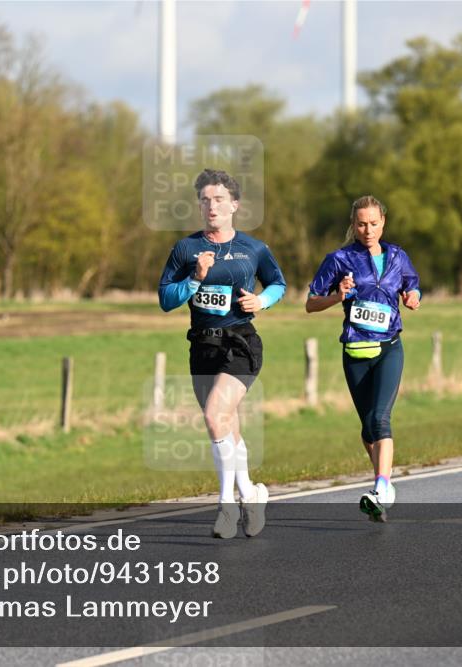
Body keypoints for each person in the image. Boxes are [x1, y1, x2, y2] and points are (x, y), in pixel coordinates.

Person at [159, 169, 287, 538]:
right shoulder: (185, 249)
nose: (211, 206)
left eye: (218, 199)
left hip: (241, 343)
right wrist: (195, 278)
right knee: (226, 425)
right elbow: (166, 300)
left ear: (234, 205)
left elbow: (278, 283)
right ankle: (251, 493)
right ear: (199, 205)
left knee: (216, 416)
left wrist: (260, 300)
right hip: (202, 346)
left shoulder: (254, 248)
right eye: (205, 200)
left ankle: (226, 507)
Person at [305, 196, 421, 521]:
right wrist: (337, 296)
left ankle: (381, 487)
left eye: (373, 223)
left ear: (383, 221)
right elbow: (310, 303)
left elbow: (412, 285)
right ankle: (383, 491)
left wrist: (413, 296)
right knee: (368, 427)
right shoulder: (339, 259)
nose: (367, 229)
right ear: (353, 225)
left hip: (389, 348)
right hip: (355, 353)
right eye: (361, 224)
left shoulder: (398, 256)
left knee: (381, 418)